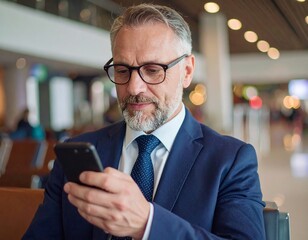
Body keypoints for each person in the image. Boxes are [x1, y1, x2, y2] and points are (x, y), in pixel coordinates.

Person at [23, 4, 265, 239]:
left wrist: (146, 224)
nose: (133, 87)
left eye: (152, 69)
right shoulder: (76, 156)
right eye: (122, 70)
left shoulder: (230, 161)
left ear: (187, 71)